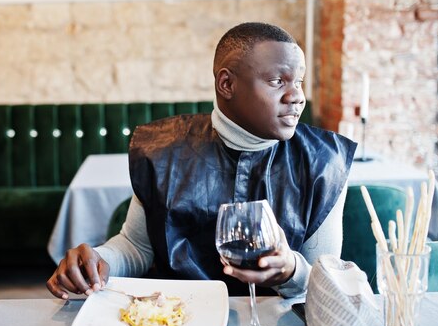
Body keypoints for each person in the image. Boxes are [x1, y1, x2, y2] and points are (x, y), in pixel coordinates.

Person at [47, 22, 356, 298]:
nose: (297, 96)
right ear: (227, 84)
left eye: (298, 82)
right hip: (177, 322)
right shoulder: (162, 150)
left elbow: (323, 281)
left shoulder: (324, 162)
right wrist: (97, 261)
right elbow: (136, 247)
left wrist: (291, 271)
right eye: (278, 81)